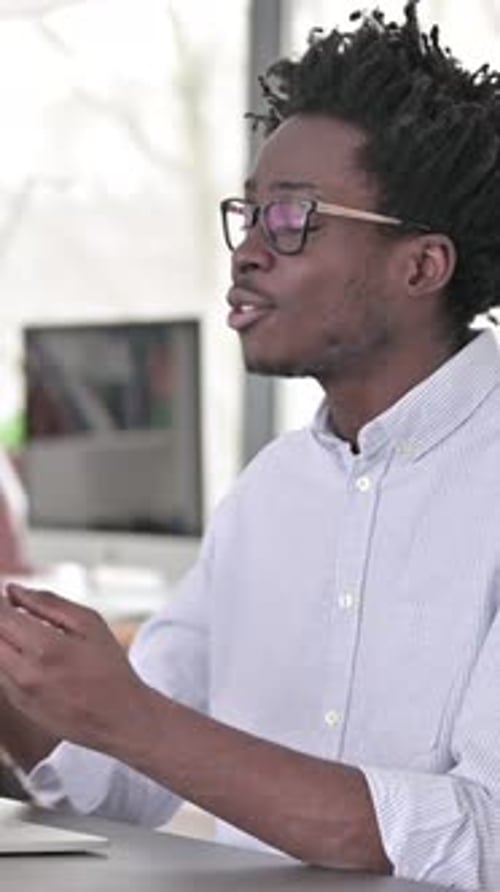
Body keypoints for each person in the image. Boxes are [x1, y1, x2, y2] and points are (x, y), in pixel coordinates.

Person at [0, 1, 500, 887]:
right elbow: (108, 781)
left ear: (421, 267)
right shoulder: (270, 494)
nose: (246, 255)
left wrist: (132, 719)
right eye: (250, 214)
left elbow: (482, 838)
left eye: (294, 218)